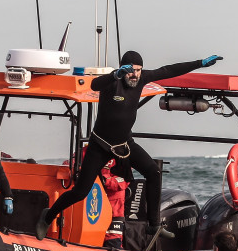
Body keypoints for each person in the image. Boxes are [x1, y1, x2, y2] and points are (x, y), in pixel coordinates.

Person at [35, 50, 223, 240]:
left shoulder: (142, 78)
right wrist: (115, 75)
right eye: (131, 71)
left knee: (153, 172)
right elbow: (95, 83)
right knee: (81, 192)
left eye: (138, 70)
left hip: (124, 144)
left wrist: (200, 63)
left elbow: (169, 70)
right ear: (123, 69)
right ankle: (47, 216)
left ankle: (153, 225)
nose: (135, 75)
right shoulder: (112, 82)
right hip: (100, 145)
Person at [101, 157, 128, 248]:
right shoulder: (85, 151)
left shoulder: (123, 154)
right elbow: (70, 166)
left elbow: (123, 181)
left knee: (113, 244)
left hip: (114, 212)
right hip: (90, 209)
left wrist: (104, 180)